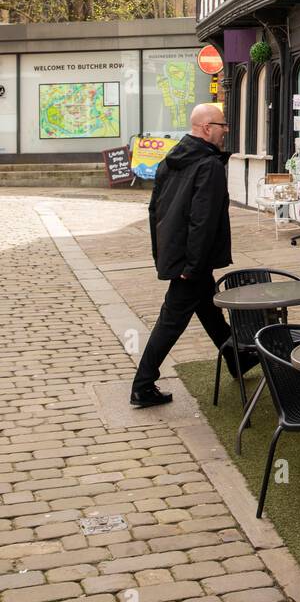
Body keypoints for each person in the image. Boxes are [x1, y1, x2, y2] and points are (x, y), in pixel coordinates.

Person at [130, 103, 233, 408]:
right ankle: (142, 384)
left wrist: (162, 254)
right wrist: (193, 265)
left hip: (180, 255)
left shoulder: (169, 161)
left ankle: (237, 358)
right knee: (171, 319)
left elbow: (154, 213)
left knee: (209, 309)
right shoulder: (209, 165)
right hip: (192, 259)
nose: (225, 131)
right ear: (206, 128)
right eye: (222, 126)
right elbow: (203, 220)